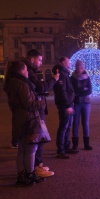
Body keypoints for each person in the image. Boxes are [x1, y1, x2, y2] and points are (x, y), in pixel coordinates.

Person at [4, 61, 45, 186]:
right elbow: (29, 104)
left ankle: (22, 175)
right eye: (26, 69)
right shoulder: (22, 84)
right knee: (31, 149)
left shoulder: (12, 82)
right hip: (28, 120)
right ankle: (30, 173)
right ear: (22, 71)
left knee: (22, 150)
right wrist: (41, 101)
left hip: (19, 119)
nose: (28, 71)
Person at [19, 49, 58, 178]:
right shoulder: (28, 72)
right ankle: (36, 168)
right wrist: (53, 79)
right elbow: (40, 87)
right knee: (37, 139)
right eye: (39, 60)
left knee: (35, 141)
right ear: (32, 59)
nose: (41, 63)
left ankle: (36, 166)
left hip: (35, 109)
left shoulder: (30, 71)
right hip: (34, 110)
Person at [52, 57, 75, 159]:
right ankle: (60, 150)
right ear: (62, 62)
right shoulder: (61, 73)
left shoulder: (65, 72)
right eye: (68, 61)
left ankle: (66, 147)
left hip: (68, 103)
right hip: (64, 105)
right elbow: (62, 91)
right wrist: (67, 105)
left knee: (68, 127)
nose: (69, 62)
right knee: (63, 127)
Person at [70, 60, 93, 151]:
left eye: (81, 67)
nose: (80, 69)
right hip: (76, 102)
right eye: (78, 67)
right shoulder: (72, 78)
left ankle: (86, 144)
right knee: (75, 123)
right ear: (76, 68)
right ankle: (75, 145)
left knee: (85, 123)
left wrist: (79, 91)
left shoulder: (87, 77)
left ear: (83, 68)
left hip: (86, 102)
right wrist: (83, 89)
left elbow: (89, 90)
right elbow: (73, 90)